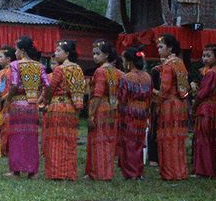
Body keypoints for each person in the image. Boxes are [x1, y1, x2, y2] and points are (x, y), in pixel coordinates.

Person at [42, 40, 85, 180]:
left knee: (55, 141)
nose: (55, 53)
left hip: (58, 107)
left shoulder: (60, 69)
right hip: (72, 108)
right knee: (69, 140)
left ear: (67, 54)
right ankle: (69, 173)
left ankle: (57, 173)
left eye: (59, 50)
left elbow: (50, 88)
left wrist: (45, 101)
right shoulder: (78, 69)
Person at [5, 36, 47, 178]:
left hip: (18, 104)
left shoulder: (15, 65)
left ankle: (16, 170)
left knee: (16, 137)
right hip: (32, 105)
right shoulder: (39, 66)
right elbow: (47, 85)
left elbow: (15, 85)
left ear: (22, 50)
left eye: (16, 50)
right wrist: (40, 99)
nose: (15, 53)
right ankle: (32, 171)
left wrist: (8, 100)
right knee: (31, 137)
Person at [86, 40, 123, 181]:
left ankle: (99, 173)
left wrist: (91, 115)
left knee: (99, 141)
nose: (94, 57)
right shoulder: (117, 72)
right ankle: (107, 173)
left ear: (106, 55)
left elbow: (97, 95)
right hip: (113, 108)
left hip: (100, 108)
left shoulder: (100, 71)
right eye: (93, 54)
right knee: (109, 142)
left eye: (97, 54)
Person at [155, 34, 189, 181]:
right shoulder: (180, 63)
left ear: (170, 48)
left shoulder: (169, 65)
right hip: (181, 104)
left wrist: (155, 96)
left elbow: (165, 89)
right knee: (177, 139)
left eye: (161, 47)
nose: (158, 49)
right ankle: (180, 171)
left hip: (169, 104)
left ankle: (169, 173)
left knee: (168, 139)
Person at [117, 46, 152, 179]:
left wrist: (120, 115)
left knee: (129, 143)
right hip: (143, 113)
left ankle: (131, 172)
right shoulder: (147, 77)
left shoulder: (126, 78)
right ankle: (138, 172)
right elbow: (149, 97)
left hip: (130, 113)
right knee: (139, 142)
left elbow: (122, 98)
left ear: (129, 62)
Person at [191, 44, 216, 178]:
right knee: (209, 140)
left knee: (203, 139)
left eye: (208, 56)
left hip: (206, 108)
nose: (204, 58)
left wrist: (194, 107)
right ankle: (208, 170)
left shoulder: (211, 73)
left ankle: (202, 171)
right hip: (213, 107)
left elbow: (201, 94)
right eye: (203, 56)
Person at [0, 45, 16, 156]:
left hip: (11, 102)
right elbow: (0, 88)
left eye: (1, 57)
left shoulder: (13, 71)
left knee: (9, 126)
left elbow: (14, 87)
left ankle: (7, 149)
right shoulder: (0, 73)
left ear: (8, 58)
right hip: (3, 102)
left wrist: (3, 98)